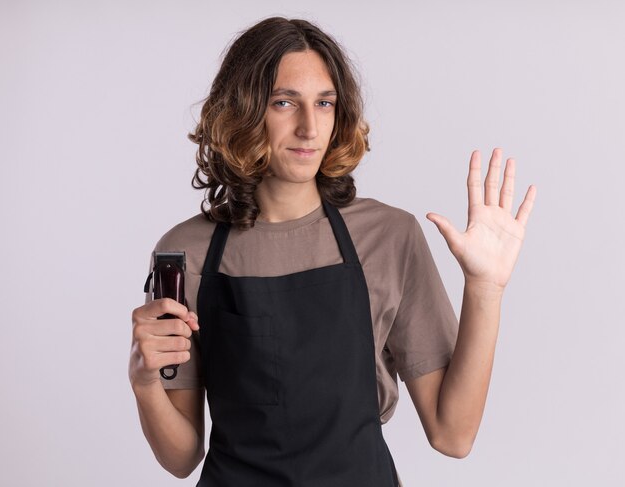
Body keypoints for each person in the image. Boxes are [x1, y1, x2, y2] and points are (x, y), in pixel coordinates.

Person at [129, 17, 536, 486]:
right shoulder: (186, 252)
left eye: (324, 103)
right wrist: (144, 382)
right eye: (284, 102)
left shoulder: (389, 236)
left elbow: (453, 434)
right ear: (242, 111)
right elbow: (181, 457)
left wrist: (484, 289)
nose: (309, 127)